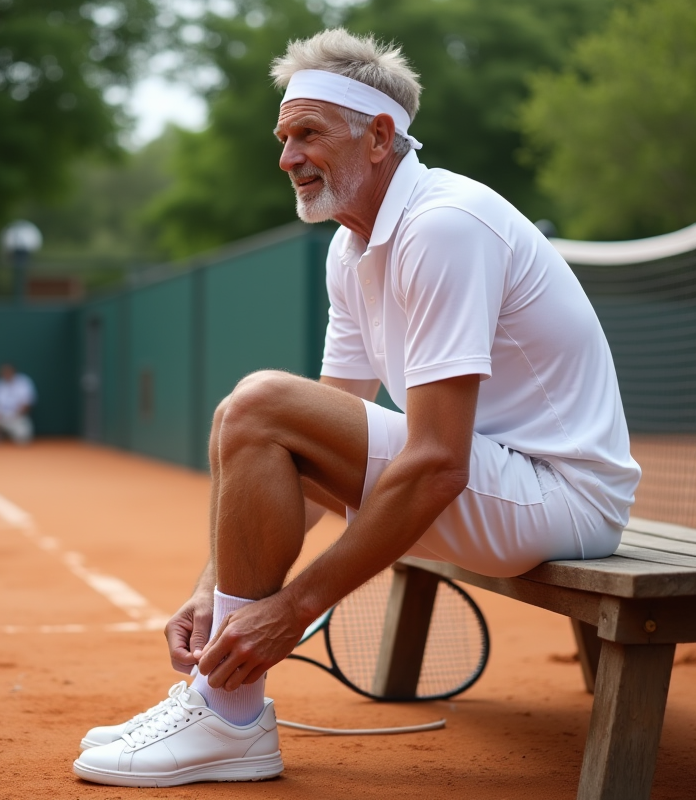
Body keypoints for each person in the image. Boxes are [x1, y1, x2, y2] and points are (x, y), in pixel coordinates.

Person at [72, 29, 641, 788]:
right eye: (282, 137)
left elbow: (436, 463)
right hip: (498, 483)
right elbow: (314, 451)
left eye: (308, 133)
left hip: (563, 497)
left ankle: (227, 713)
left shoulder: (445, 225)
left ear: (379, 136)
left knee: (258, 405)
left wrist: (293, 606)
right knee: (253, 416)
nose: (286, 157)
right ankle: (224, 703)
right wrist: (214, 588)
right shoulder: (351, 250)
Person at [0, 364, 36, 445]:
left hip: (18, 418)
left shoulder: (24, 382)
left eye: (8, 371)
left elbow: (27, 404)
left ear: (14, 372)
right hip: (1, 418)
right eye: (4, 372)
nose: (6, 374)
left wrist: (13, 416)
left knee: (23, 440)